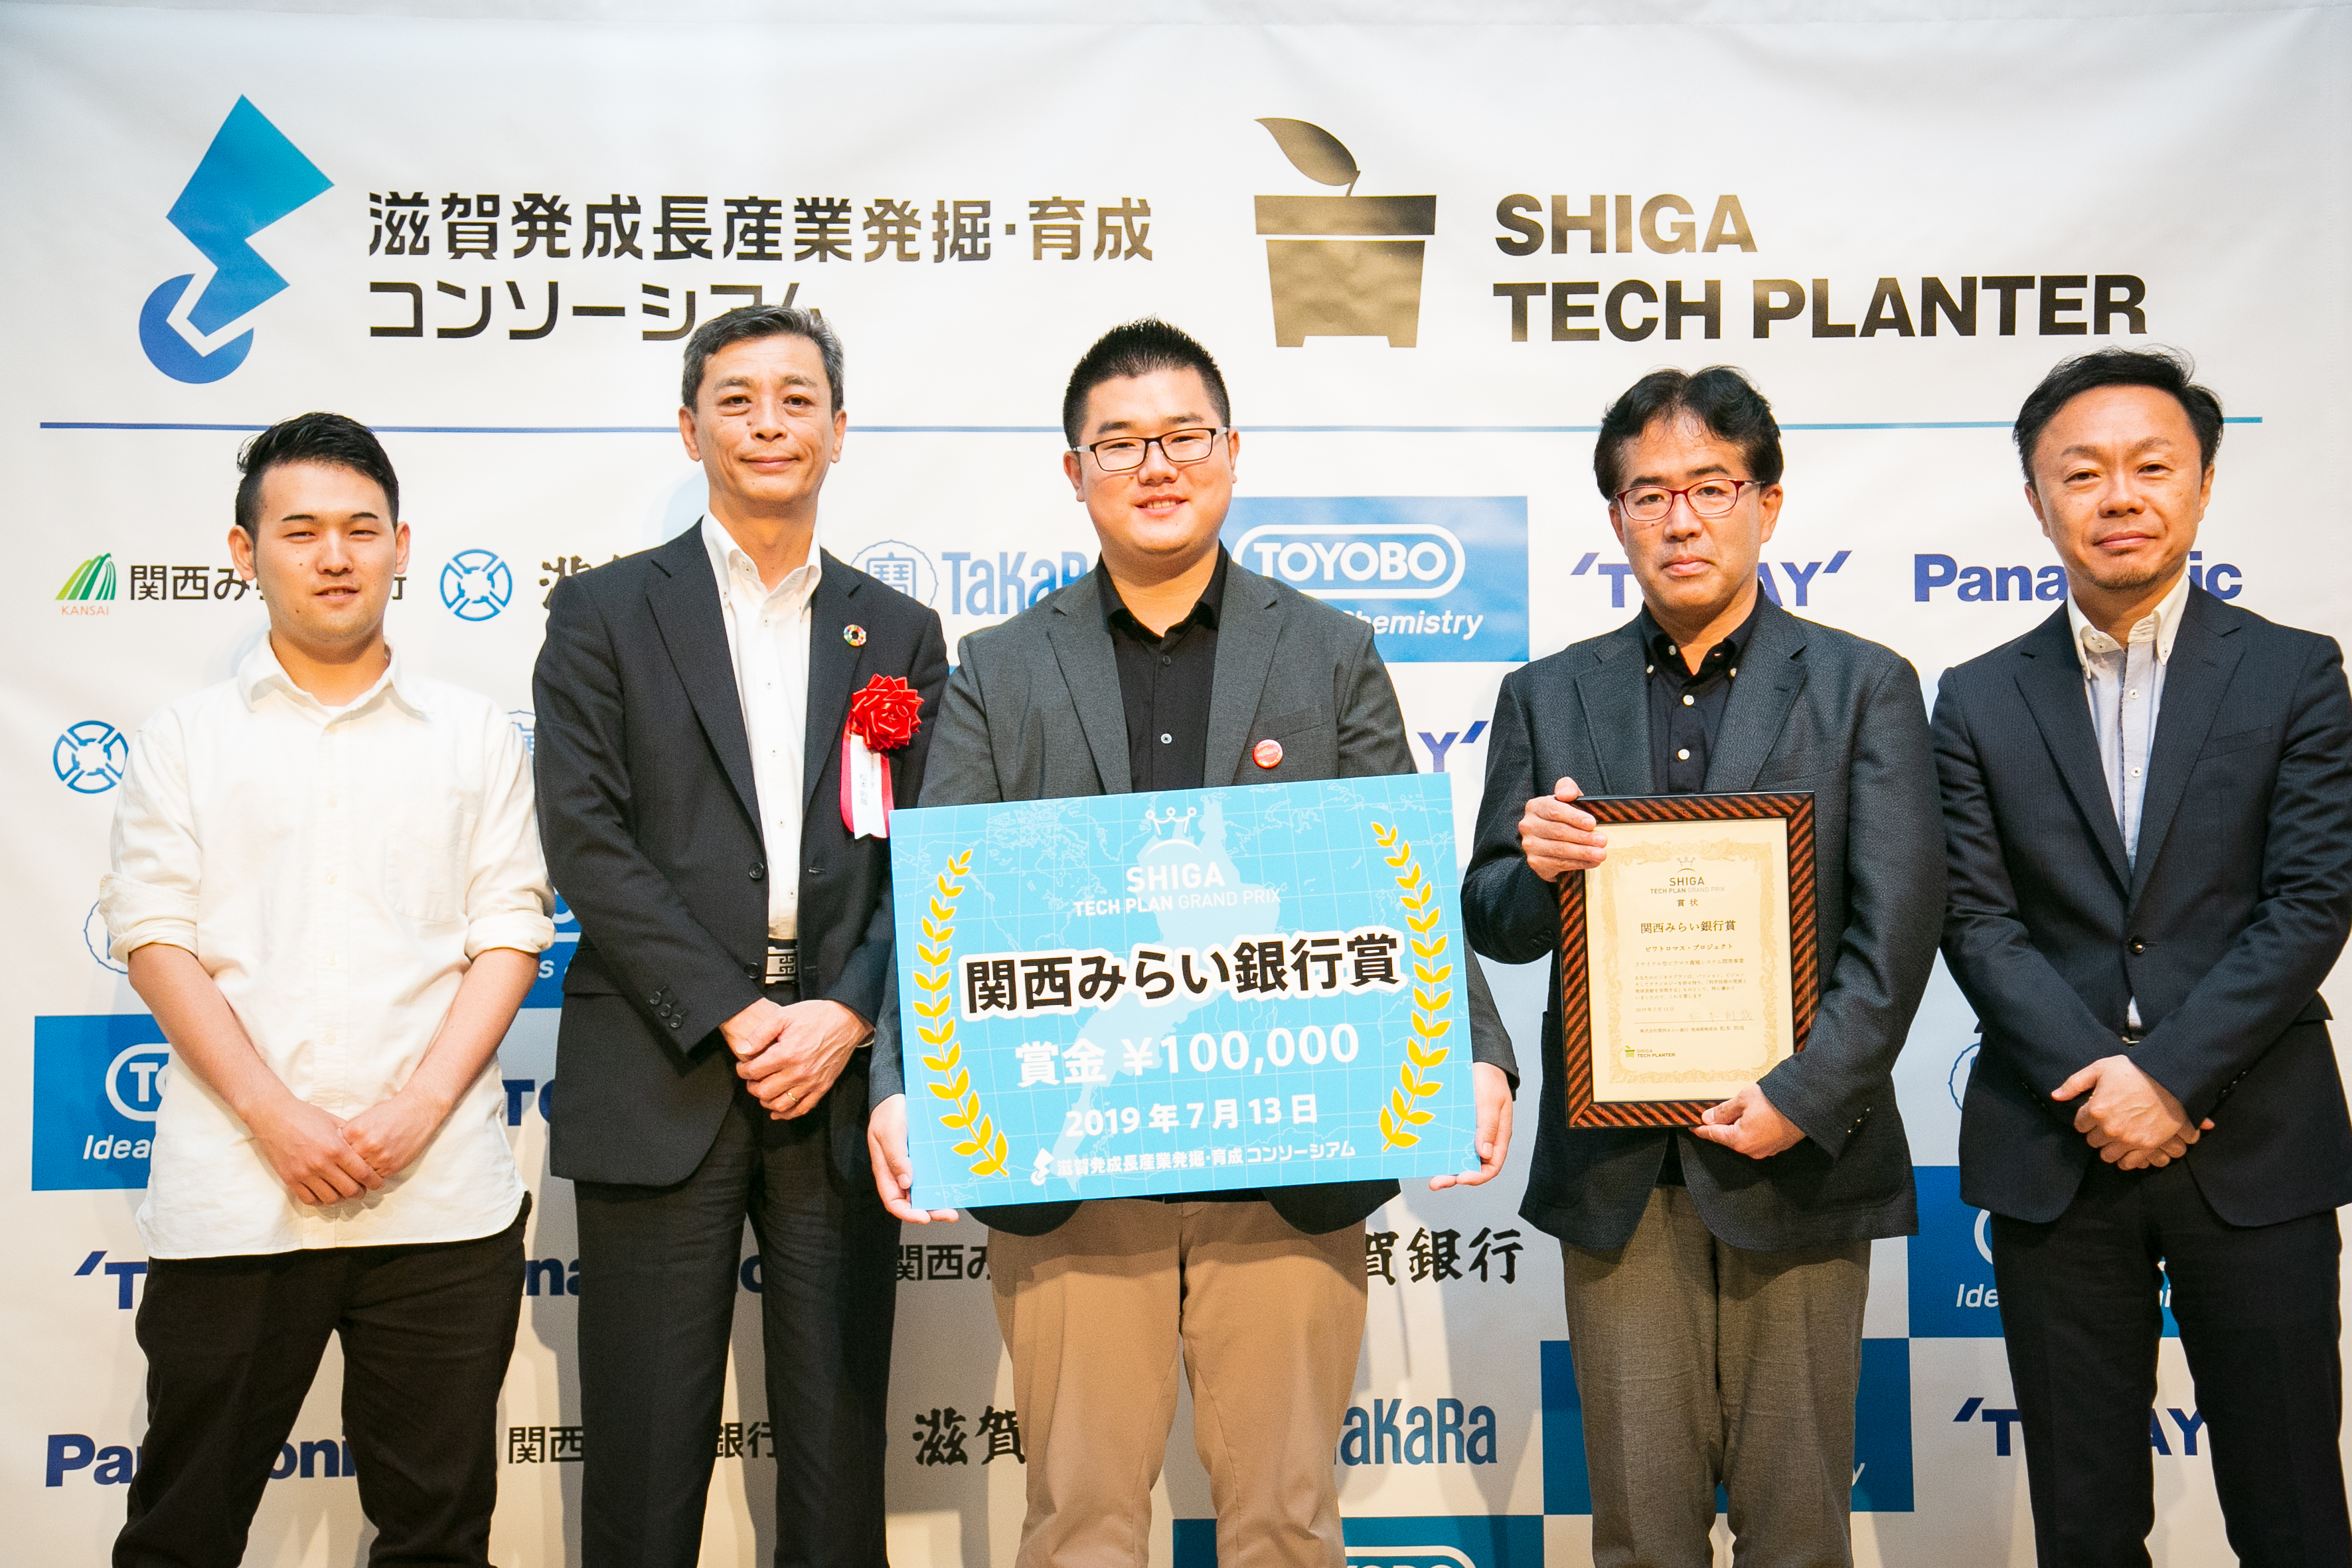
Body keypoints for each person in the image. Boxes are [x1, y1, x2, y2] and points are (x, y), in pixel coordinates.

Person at [866, 318, 1518, 1568]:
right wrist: (902, 1081)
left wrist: (1473, 1050)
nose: (1155, 464)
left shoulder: (1328, 650)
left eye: (1184, 435)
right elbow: (945, 899)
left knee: (1284, 1522)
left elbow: (1399, 881)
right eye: (1120, 442)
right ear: (1075, 471)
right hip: (1069, 1155)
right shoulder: (1002, 667)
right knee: (1081, 1523)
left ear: (1231, 451)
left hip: (1289, 1156)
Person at [1460, 366, 1942, 1568]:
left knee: (1800, 1532)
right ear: (1617, 517)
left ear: (1767, 504)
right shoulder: (1546, 693)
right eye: (1650, 493)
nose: (1681, 518)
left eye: (1712, 487)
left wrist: (1801, 1096)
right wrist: (1538, 864)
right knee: (1639, 1533)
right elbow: (1495, 918)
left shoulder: (1864, 685)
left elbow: (1897, 934)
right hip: (1620, 1178)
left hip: (1800, 1159)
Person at [532, 305, 948, 1566]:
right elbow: (587, 841)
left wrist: (851, 1011)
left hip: (835, 1076)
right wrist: (735, 1009)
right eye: (737, 399)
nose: (769, 423)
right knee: (645, 1466)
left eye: (796, 399)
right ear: (690, 427)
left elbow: (930, 859)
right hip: (662, 1065)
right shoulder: (603, 612)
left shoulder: (900, 630)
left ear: (838, 431)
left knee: (838, 1461)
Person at [102, 412, 552, 1567]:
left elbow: (511, 929)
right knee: (182, 1528)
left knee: (437, 1533)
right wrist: (275, 1117)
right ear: (245, 552)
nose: (335, 555)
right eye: (300, 531)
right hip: (238, 1190)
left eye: (362, 528)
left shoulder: (474, 736)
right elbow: (153, 936)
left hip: (440, 1198)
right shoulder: (184, 740)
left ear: (403, 546)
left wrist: (415, 1110)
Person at [1935, 347, 2352, 1568]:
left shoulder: (2295, 671)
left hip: (2255, 1141)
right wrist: (2104, 1083)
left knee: (2292, 1512)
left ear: (2203, 485)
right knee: (2084, 1522)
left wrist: (2168, 1075)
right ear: (2036, 501)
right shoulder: (1975, 696)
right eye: (2083, 472)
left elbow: (2311, 900)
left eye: (2151, 466)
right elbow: (1975, 920)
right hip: (2055, 1146)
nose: (2119, 495)